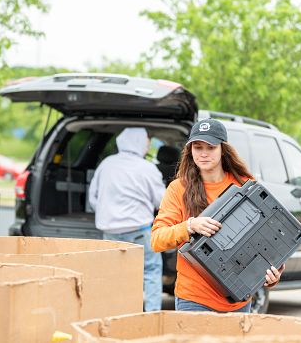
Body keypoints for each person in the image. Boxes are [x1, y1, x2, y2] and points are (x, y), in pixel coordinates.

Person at [151, 118, 285, 312]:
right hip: (194, 300)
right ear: (190, 151)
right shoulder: (178, 188)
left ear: (223, 149)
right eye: (197, 147)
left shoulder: (245, 185)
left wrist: (273, 276)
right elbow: (157, 240)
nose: (203, 154)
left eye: (210, 147)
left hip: (238, 302)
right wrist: (190, 226)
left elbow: (269, 241)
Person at [88, 127, 166, 311]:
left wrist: (107, 213)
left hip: (110, 232)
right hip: (139, 231)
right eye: (146, 141)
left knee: (114, 275)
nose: (147, 145)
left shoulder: (106, 164)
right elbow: (161, 201)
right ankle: (152, 315)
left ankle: (116, 313)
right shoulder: (147, 168)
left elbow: (93, 198)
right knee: (151, 271)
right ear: (139, 143)